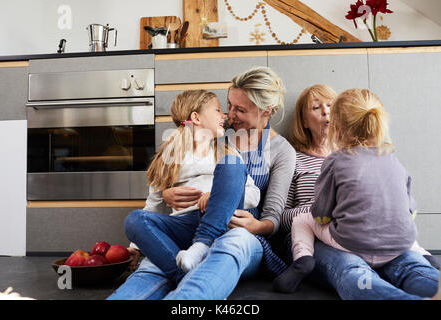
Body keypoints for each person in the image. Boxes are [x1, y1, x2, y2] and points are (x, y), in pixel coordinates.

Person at [108, 66, 296, 300]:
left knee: (230, 246)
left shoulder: (279, 151)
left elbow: (273, 215)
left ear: (265, 110)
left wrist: (255, 224)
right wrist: (165, 193)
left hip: (237, 231)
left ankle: (192, 275)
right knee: (150, 266)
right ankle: (185, 265)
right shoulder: (215, 134)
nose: (229, 115)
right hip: (185, 229)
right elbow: (165, 180)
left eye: (240, 110)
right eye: (227, 106)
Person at [274, 87, 440, 299]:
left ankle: (422, 260)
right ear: (304, 121)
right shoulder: (293, 158)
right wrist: (339, 213)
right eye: (316, 107)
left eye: (331, 107)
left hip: (357, 233)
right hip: (329, 237)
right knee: (354, 271)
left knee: (414, 266)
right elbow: (283, 215)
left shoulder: (344, 159)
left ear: (339, 124)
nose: (326, 112)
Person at [122, 90, 261, 283]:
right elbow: (153, 207)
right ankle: (186, 273)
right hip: (183, 227)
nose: (225, 116)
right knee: (134, 219)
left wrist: (216, 196)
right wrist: (136, 247)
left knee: (232, 165)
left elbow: (254, 194)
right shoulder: (167, 158)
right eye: (218, 110)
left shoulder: (227, 152)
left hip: (221, 223)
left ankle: (202, 245)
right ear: (196, 117)